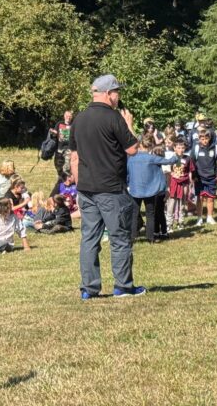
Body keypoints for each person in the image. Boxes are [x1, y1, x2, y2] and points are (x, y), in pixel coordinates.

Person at [69, 74, 144, 299]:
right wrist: (129, 125)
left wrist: (80, 186)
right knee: (119, 238)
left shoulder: (79, 119)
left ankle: (89, 289)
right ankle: (123, 286)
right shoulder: (113, 118)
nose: (118, 96)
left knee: (89, 239)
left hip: (86, 188)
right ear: (108, 94)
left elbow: (74, 157)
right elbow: (132, 149)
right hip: (111, 189)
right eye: (117, 92)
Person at [127, 135, 177, 243]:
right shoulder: (152, 158)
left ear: (140, 145)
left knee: (134, 214)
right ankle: (150, 238)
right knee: (150, 214)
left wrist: (128, 184)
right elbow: (169, 161)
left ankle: (132, 237)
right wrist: (176, 155)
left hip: (135, 190)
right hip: (150, 191)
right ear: (151, 146)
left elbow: (127, 173)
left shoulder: (131, 159)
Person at [192, 131, 217, 227]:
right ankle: (199, 218)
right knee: (200, 198)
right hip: (199, 178)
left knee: (210, 198)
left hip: (212, 178)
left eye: (206, 139)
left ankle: (210, 217)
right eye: (202, 139)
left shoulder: (216, 148)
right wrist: (194, 176)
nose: (204, 141)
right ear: (199, 139)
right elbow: (192, 163)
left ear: (209, 138)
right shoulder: (196, 148)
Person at [52, 110, 74, 180]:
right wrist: (53, 133)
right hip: (59, 148)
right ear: (64, 116)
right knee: (58, 165)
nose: (68, 117)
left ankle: (67, 180)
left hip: (69, 148)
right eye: (67, 116)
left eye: (70, 116)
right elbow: (55, 133)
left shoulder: (73, 125)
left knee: (67, 167)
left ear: (71, 117)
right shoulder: (59, 124)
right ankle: (60, 179)